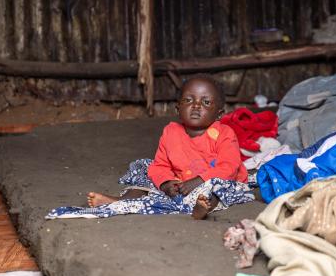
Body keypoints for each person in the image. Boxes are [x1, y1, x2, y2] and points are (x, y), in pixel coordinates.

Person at [86, 75, 248, 219]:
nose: (196, 106)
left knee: (223, 186)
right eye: (189, 100)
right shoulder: (171, 132)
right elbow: (160, 165)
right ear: (178, 108)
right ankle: (119, 201)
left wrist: (198, 181)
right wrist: (165, 182)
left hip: (212, 182)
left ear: (219, 114)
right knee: (146, 169)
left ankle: (203, 208)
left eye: (206, 102)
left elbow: (229, 167)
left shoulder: (225, 134)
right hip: (180, 184)